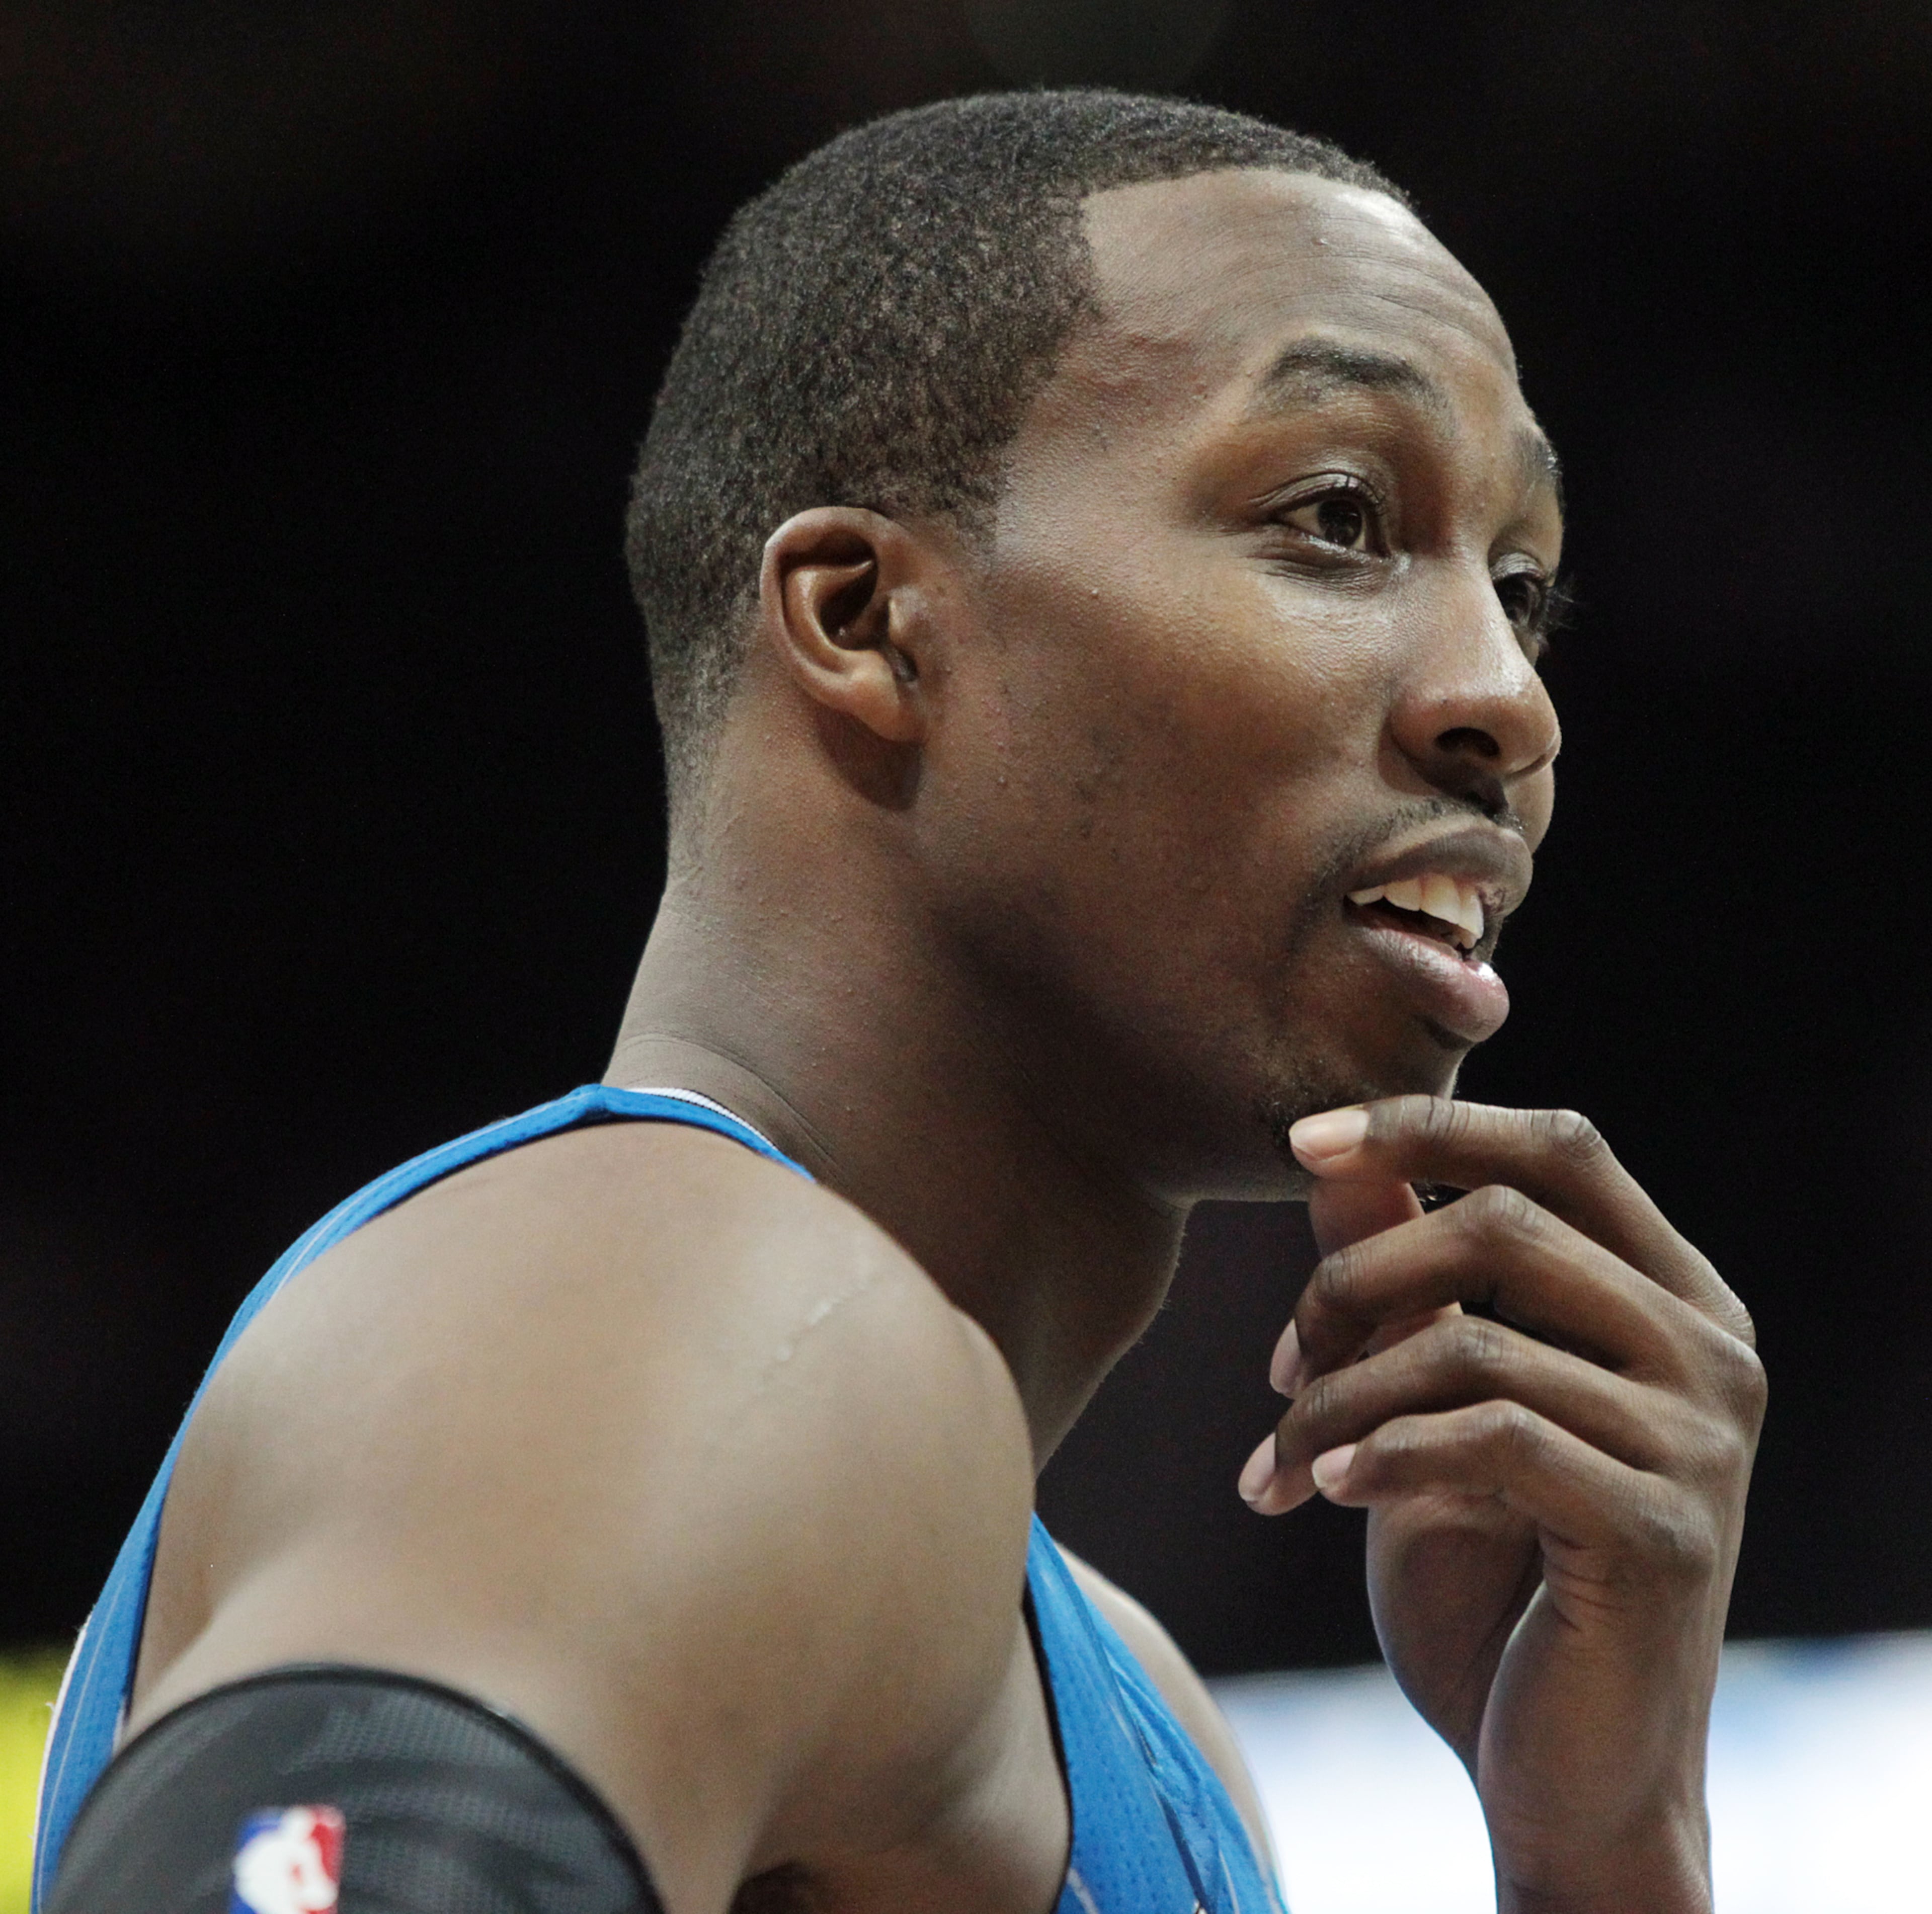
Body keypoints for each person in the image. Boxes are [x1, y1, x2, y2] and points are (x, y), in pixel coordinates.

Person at [34, 90, 1763, 1914]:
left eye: (1524, 587)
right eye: (1337, 518)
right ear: (865, 620)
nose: (1509, 695)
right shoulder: (670, 1321)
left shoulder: (1137, 1702)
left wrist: (1606, 1849)